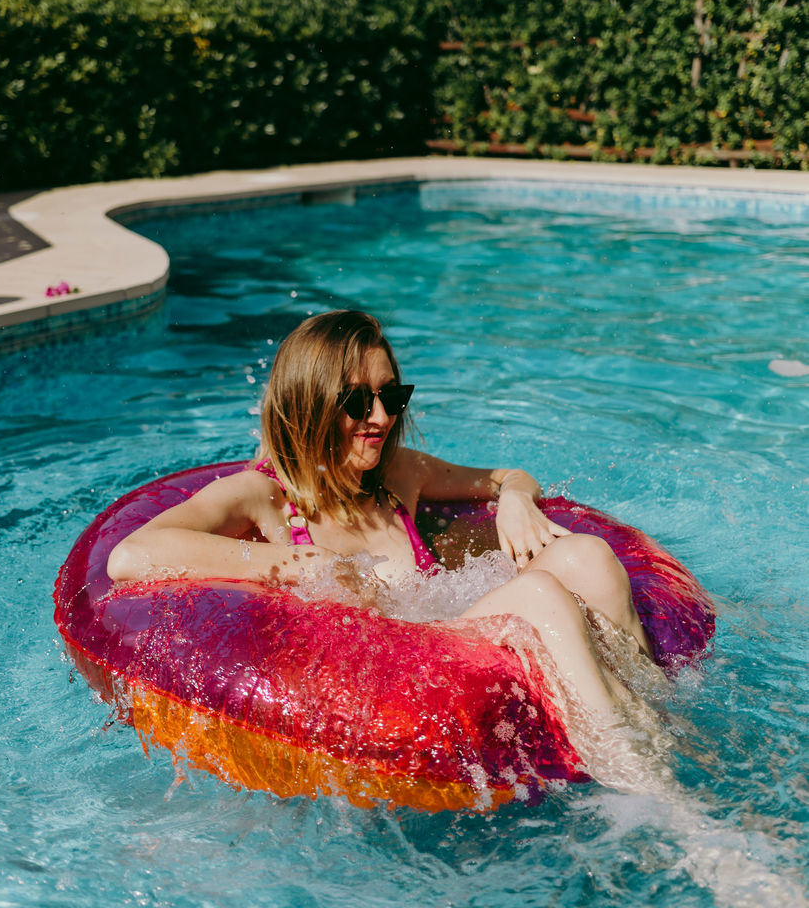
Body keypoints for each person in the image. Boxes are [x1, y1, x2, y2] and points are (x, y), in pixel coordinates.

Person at [107, 309, 652, 727]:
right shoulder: (263, 498)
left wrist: (514, 501)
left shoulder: (399, 475)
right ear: (309, 403)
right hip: (393, 689)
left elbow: (507, 475)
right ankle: (652, 793)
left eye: (392, 394)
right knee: (538, 597)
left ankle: (656, 720)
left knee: (588, 555)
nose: (383, 417)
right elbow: (130, 556)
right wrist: (297, 562)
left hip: (445, 639)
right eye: (357, 402)